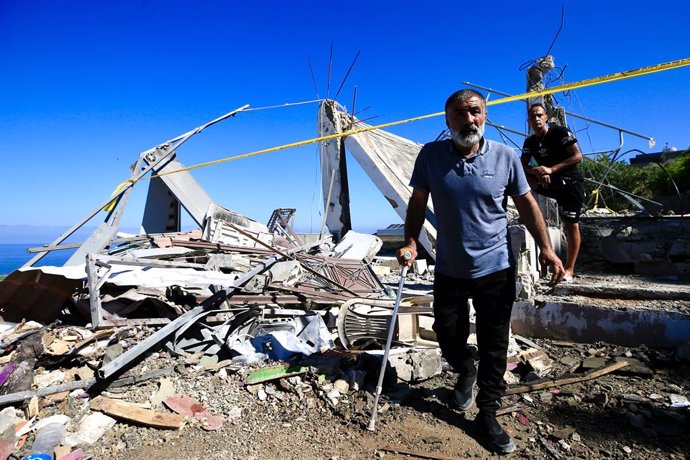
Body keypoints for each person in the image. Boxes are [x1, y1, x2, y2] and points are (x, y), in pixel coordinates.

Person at [396, 89, 564, 454]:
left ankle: (487, 414)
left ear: (484, 116)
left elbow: (527, 203)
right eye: (459, 114)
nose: (468, 120)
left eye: (474, 112)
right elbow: (417, 202)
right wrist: (410, 241)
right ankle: (464, 368)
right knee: (446, 335)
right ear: (447, 121)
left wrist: (548, 249)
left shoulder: (505, 158)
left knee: (494, 345)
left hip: (495, 269)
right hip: (450, 269)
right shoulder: (430, 156)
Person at [521, 102, 585, 280]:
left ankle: (570, 269)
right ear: (529, 120)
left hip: (570, 182)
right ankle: (529, 214)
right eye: (533, 116)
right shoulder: (531, 141)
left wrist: (551, 169)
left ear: (546, 117)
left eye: (539, 115)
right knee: (523, 178)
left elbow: (578, 156)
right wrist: (538, 171)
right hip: (550, 182)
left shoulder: (560, 132)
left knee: (570, 223)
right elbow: (522, 164)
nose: (536, 119)